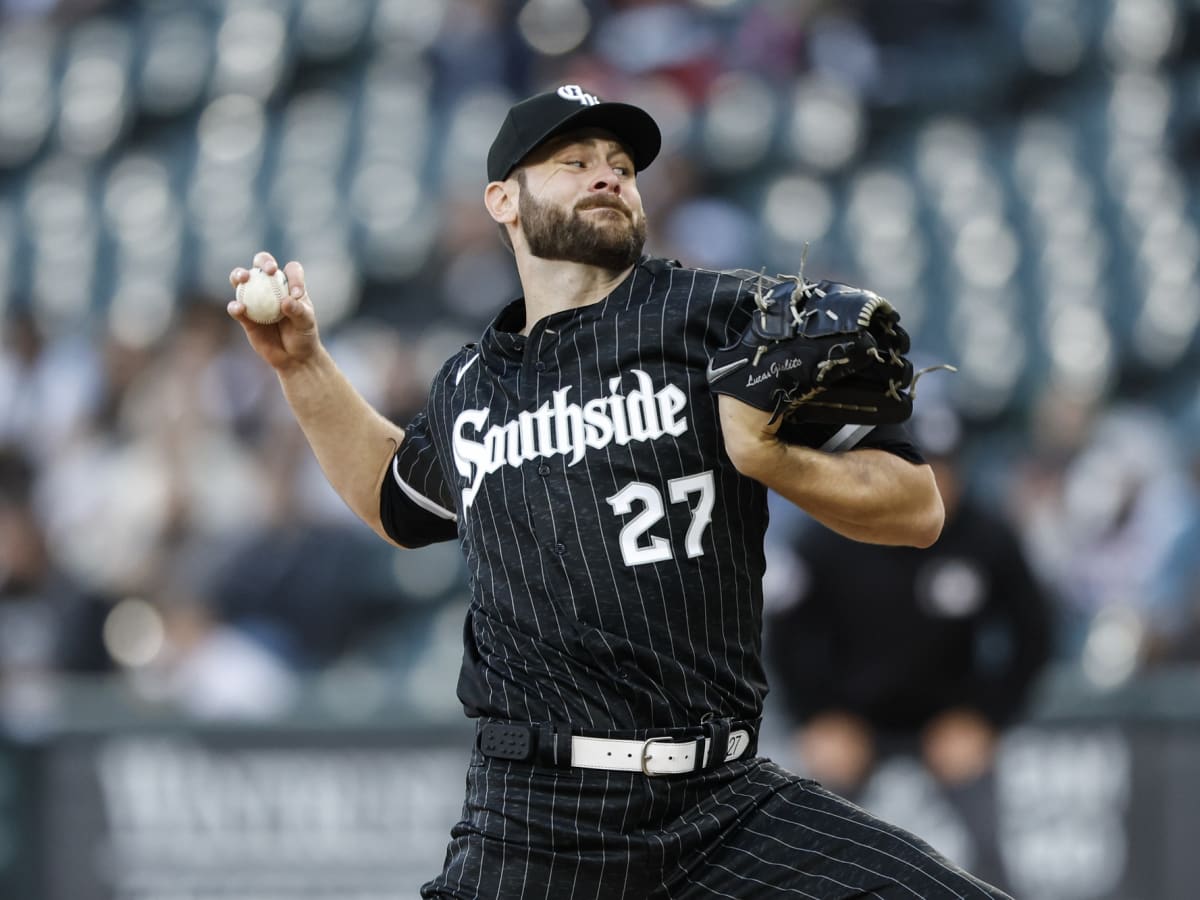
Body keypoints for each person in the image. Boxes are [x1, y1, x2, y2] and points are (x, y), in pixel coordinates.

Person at [228, 85, 1010, 899]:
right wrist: (301, 365)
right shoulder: (470, 385)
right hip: (536, 822)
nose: (607, 175)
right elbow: (394, 500)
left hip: (726, 805)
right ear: (503, 200)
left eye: (623, 165)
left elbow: (917, 508)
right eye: (574, 162)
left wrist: (772, 460)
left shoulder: (722, 318)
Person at [764, 403, 1054, 890]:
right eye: (920, 465)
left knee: (990, 853)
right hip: (851, 721)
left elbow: (1034, 634)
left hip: (949, 721)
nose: (936, 480)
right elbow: (789, 634)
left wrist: (987, 717)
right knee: (808, 849)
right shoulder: (833, 531)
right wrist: (816, 717)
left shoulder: (986, 537)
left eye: (946, 465)